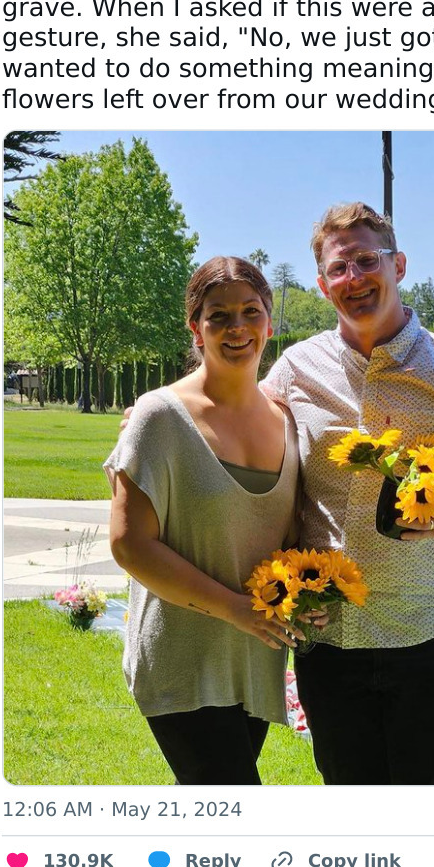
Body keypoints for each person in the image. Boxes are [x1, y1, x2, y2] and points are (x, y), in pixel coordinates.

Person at [260, 202, 434, 785]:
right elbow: (236, 423)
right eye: (339, 268)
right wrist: (170, 415)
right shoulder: (294, 369)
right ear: (322, 284)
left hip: (433, 635)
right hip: (330, 638)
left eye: (367, 260)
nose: (353, 278)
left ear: (399, 264)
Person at [105, 257, 305, 786]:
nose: (237, 328)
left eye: (250, 312)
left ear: (269, 322)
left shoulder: (287, 422)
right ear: (196, 328)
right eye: (219, 316)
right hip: (181, 657)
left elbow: (282, 541)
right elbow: (130, 546)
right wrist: (235, 608)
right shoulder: (159, 416)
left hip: (252, 659)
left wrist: (310, 596)